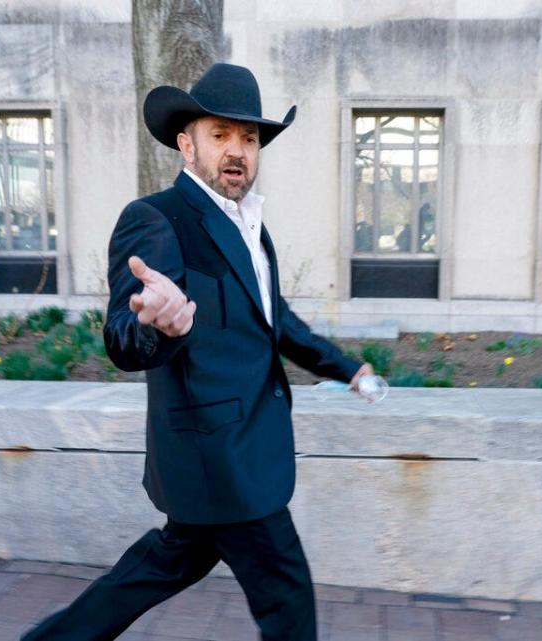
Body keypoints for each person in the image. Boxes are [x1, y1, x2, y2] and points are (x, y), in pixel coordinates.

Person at [22, 63, 373, 641]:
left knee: (165, 563)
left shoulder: (251, 228)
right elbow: (122, 338)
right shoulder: (157, 218)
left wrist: (347, 367)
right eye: (220, 135)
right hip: (221, 457)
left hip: (225, 453)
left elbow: (273, 320)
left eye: (249, 138)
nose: (237, 150)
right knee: (287, 595)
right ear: (187, 144)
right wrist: (159, 325)